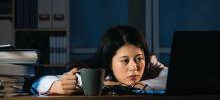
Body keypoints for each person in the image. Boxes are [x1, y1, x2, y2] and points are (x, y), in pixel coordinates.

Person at [31, 25, 168, 95]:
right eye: (125, 61)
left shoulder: (151, 64)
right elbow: (39, 83)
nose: (134, 67)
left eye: (139, 59)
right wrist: (59, 86)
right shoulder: (95, 74)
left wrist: (122, 86)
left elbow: (171, 79)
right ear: (109, 62)